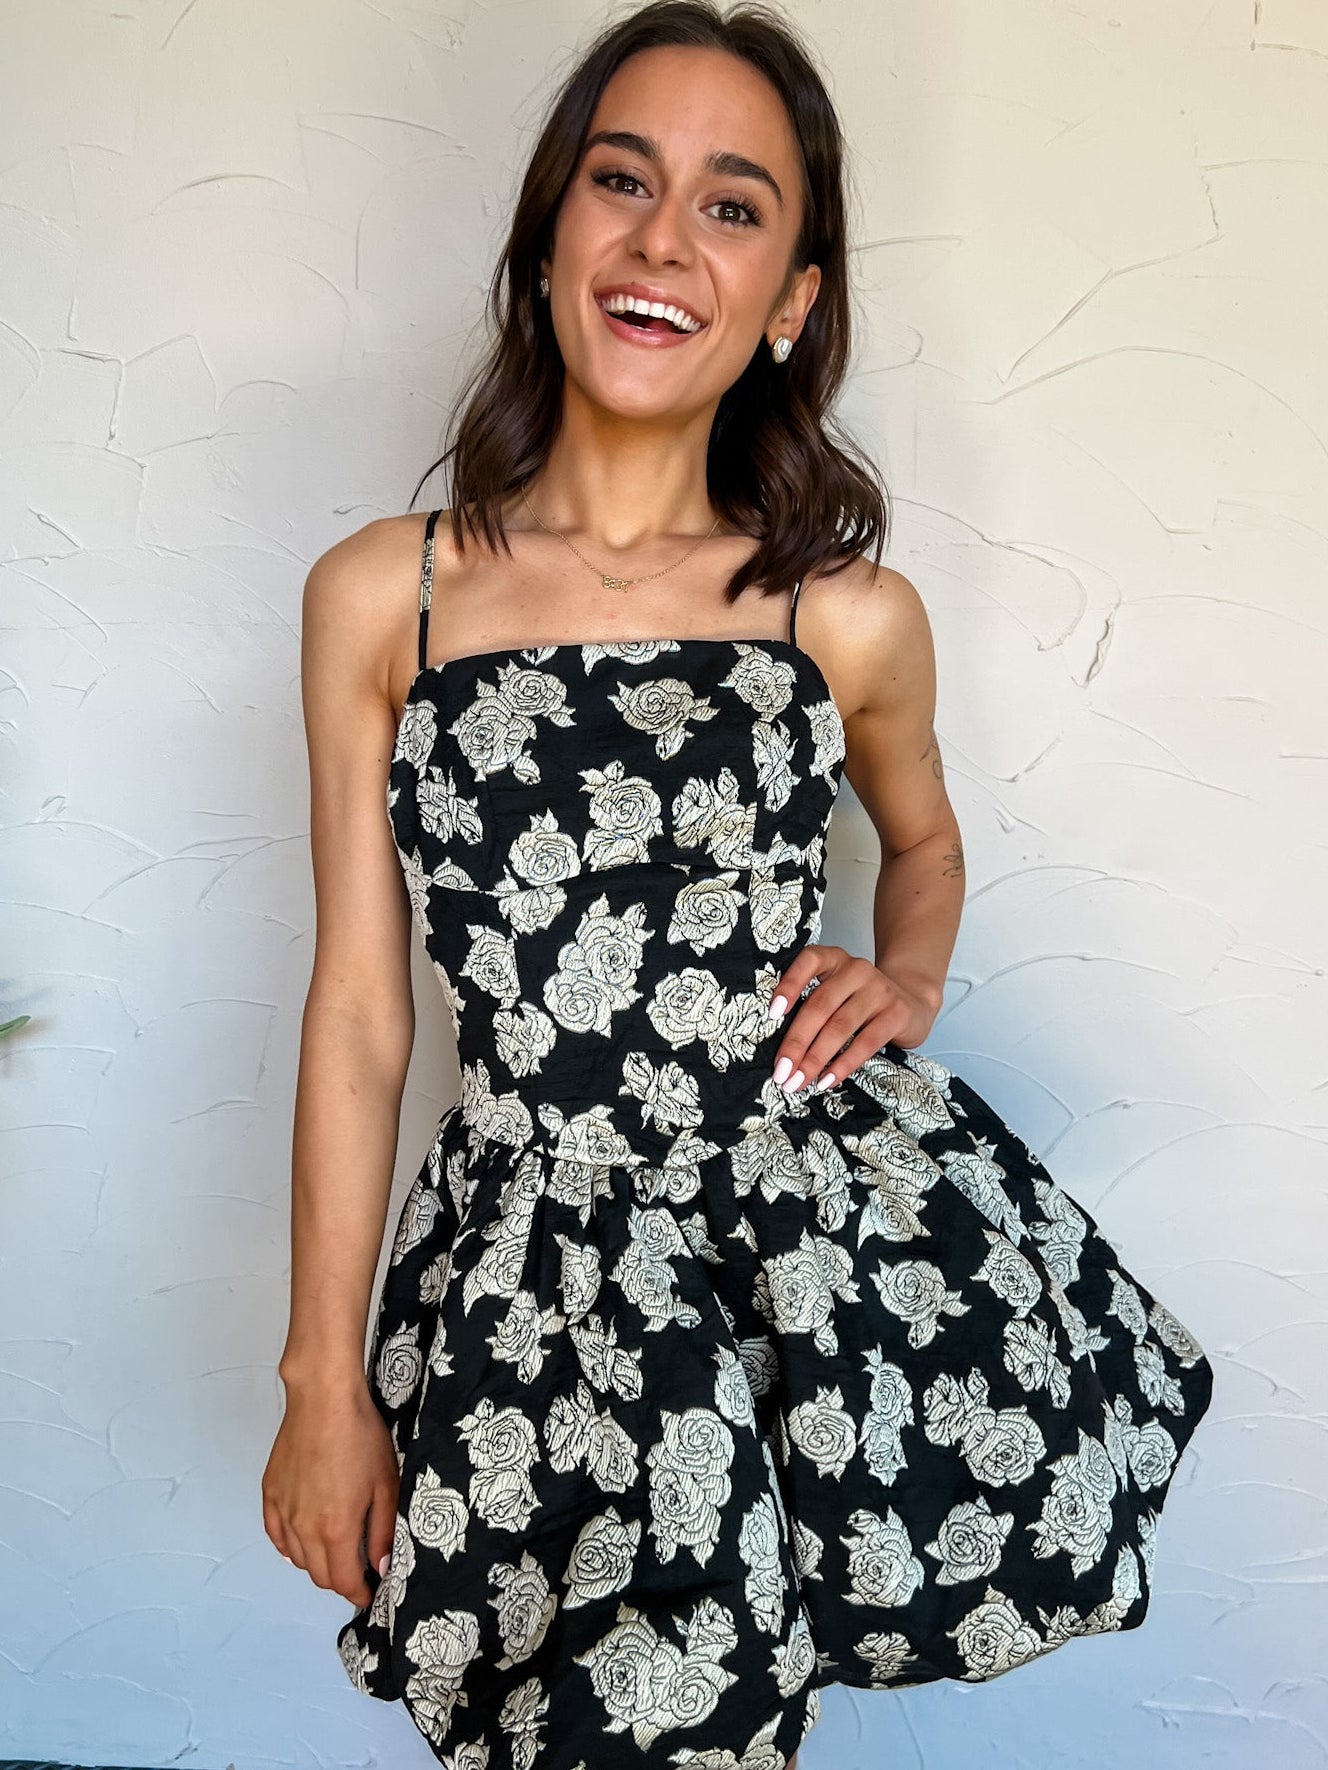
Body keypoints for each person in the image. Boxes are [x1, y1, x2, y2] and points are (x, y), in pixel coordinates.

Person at [262, 5, 1214, 1766]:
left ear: (790, 299)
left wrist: (907, 975)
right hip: (522, 1271)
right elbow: (360, 1012)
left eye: (732, 204)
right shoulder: (377, 599)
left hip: (782, 1259)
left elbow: (919, 845)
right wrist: (322, 1378)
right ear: (553, 229)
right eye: (621, 181)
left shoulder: (841, 612)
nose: (658, 240)